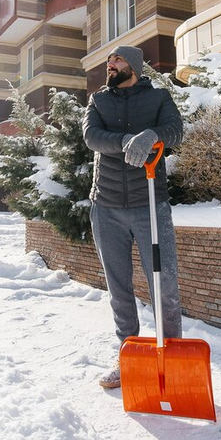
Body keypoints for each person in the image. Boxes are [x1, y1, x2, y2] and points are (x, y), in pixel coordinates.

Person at [82, 45, 184, 389]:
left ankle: (171, 358)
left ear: (135, 67)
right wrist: (127, 140)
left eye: (117, 60)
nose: (110, 64)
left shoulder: (158, 99)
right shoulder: (98, 101)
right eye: (109, 60)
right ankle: (128, 357)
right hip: (106, 206)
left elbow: (175, 130)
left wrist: (153, 134)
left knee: (164, 285)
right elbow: (91, 137)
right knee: (119, 289)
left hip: (150, 204)